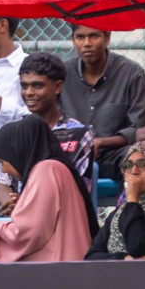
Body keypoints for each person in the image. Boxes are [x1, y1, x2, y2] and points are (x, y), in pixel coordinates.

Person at [0, 117, 98, 263]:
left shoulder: (46, 170)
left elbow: (30, 233)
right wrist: (23, 207)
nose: (4, 169)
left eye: (2, 162)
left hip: (59, 268)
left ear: (17, 152)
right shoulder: (55, 168)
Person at [62, 25, 145, 184]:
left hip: (113, 153)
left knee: (139, 160)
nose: (87, 43)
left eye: (94, 36)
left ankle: (128, 208)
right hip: (69, 153)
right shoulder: (62, 73)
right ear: (73, 39)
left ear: (107, 38)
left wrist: (100, 142)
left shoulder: (131, 73)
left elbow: (140, 128)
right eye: (80, 37)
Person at [85, 142, 145, 260]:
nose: (134, 171)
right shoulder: (122, 211)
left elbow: (137, 244)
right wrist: (126, 259)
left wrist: (132, 199)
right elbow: (92, 256)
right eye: (128, 164)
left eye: (143, 164)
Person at [17, 52, 95, 191]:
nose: (29, 92)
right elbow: (2, 181)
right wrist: (10, 201)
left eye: (38, 86)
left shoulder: (78, 134)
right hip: (15, 209)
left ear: (58, 87)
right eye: (24, 86)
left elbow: (73, 187)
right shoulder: (14, 132)